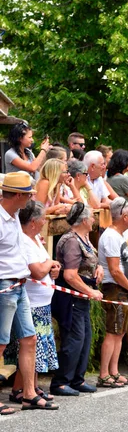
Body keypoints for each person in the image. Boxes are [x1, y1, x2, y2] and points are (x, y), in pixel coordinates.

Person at [0, 172, 58, 412]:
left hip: (18, 284)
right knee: (1, 344)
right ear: (16, 195)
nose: (30, 198)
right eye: (27, 194)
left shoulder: (13, 216)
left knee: (29, 339)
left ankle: (28, 393)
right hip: (5, 285)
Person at [8, 201, 60, 402]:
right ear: (32, 222)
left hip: (42, 302)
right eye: (43, 218)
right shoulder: (24, 240)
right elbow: (37, 271)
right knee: (30, 346)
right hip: (32, 302)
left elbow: (47, 267)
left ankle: (33, 386)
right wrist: (49, 264)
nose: (45, 221)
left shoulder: (36, 239)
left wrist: (53, 268)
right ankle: (19, 388)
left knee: (37, 348)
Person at [50, 203, 104, 396]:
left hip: (82, 295)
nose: (94, 220)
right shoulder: (72, 241)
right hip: (71, 296)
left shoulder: (85, 237)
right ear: (83, 220)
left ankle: (77, 379)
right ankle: (61, 381)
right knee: (74, 338)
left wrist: (99, 269)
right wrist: (90, 291)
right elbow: (71, 275)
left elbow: (91, 260)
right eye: (92, 217)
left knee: (85, 337)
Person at [98, 198, 128, 388]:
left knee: (120, 332)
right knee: (112, 332)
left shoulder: (118, 236)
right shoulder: (110, 237)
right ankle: (104, 373)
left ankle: (114, 372)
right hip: (115, 289)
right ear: (124, 216)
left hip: (122, 289)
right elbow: (115, 270)